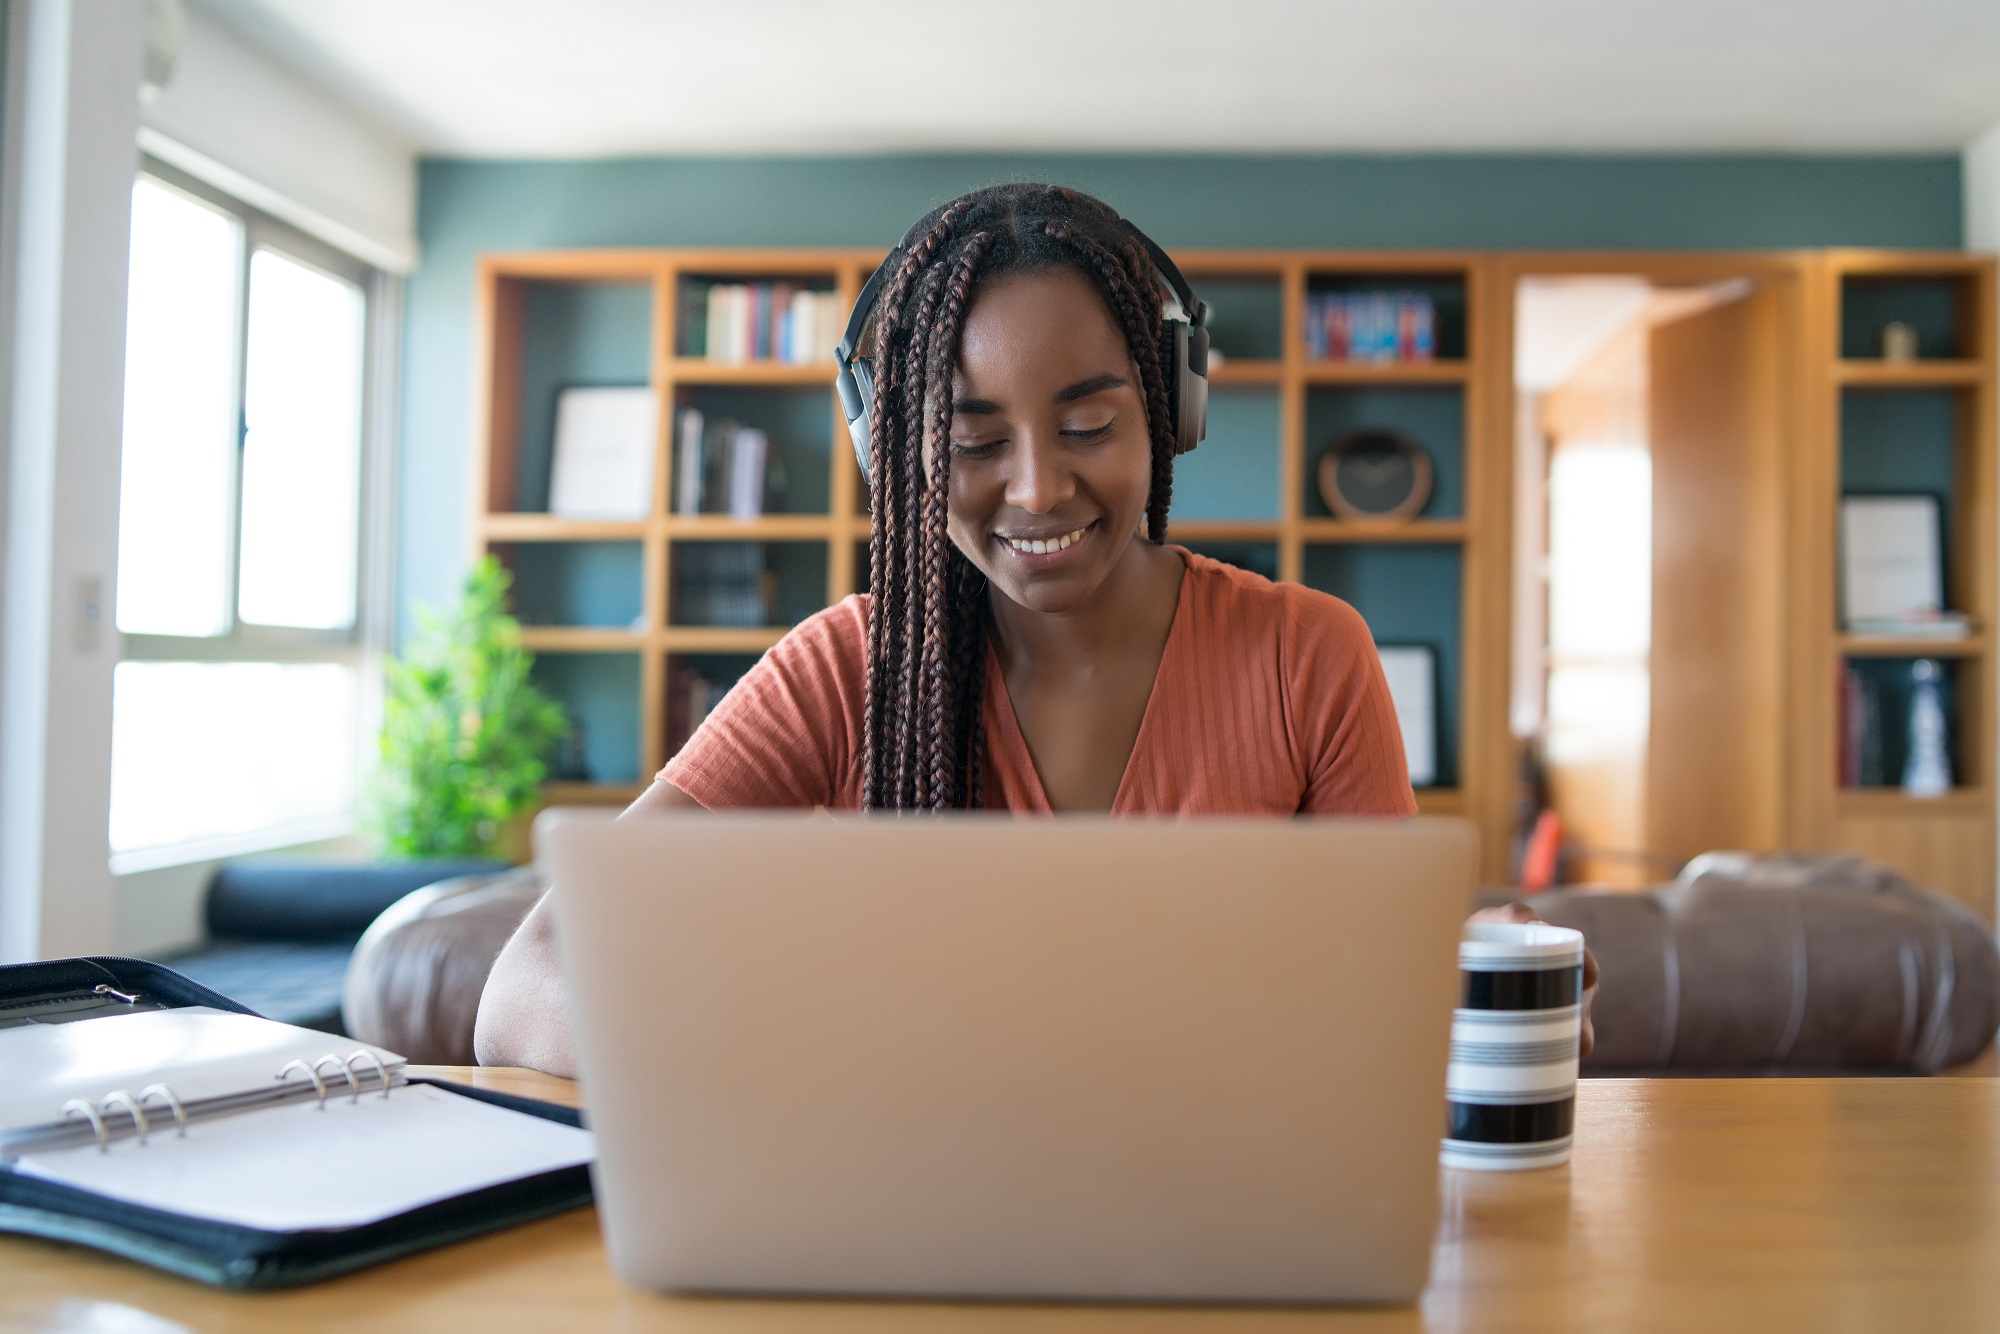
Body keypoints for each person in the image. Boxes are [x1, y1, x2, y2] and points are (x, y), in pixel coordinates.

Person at [475, 184, 1590, 1073]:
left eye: (1089, 423)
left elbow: (1376, 1011)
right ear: (896, 452)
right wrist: (781, 1059)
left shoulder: (1307, 655)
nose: (1036, 489)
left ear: (1170, 412)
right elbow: (527, 981)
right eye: (972, 442)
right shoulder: (843, 668)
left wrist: (1472, 1019)